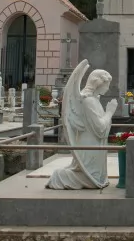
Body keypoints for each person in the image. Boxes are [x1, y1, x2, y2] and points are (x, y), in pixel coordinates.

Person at [46, 60, 118, 190]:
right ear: (99, 83)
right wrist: (109, 112)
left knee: (95, 177)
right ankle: (59, 176)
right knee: (89, 178)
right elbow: (101, 127)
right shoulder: (88, 101)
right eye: (107, 84)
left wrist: (107, 114)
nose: (108, 87)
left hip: (96, 143)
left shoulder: (94, 100)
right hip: (89, 146)